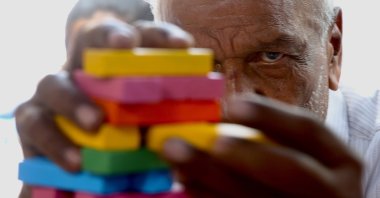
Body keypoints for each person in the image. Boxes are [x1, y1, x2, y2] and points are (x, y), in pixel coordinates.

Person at [15, 0, 380, 197]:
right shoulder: (146, 156)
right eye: (201, 67)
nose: (229, 106)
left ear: (333, 51)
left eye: (271, 57)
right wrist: (52, 185)